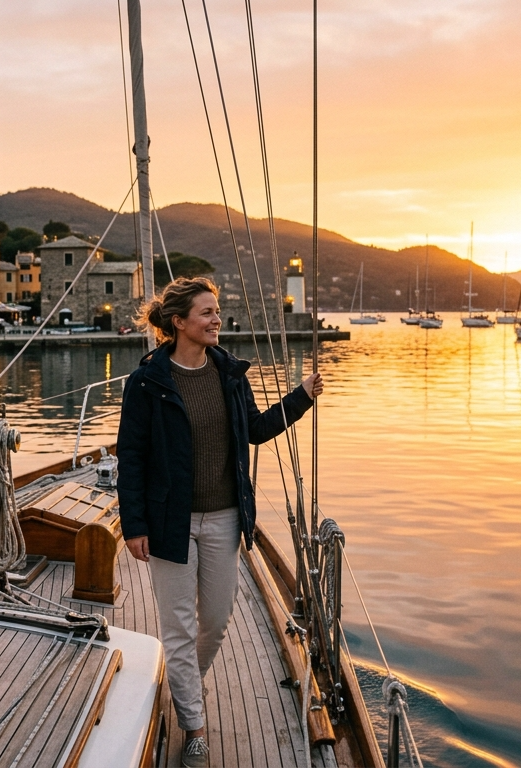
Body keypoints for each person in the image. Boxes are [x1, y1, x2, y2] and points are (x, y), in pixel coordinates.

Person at [116, 277, 323, 768]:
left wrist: (300, 397)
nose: (216, 320)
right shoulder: (147, 382)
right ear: (179, 322)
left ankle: (184, 683)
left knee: (215, 619)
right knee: (179, 627)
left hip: (226, 517)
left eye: (216, 311)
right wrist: (134, 524)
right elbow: (132, 456)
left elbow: (255, 430)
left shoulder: (229, 374)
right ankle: (195, 726)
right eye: (207, 312)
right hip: (169, 520)